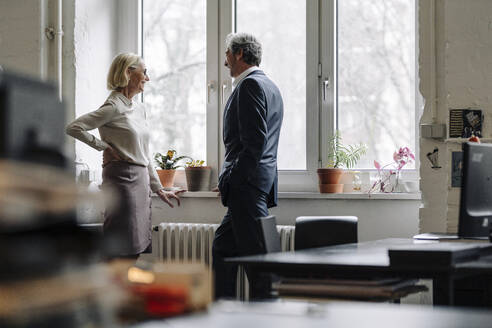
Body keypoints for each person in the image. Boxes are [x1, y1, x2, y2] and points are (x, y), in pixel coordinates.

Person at [66, 53, 183, 259]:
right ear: (128, 72)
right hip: (121, 180)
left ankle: (124, 288)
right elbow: (74, 127)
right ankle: (111, 288)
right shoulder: (113, 106)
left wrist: (159, 188)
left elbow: (144, 153)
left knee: (136, 247)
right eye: (144, 72)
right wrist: (103, 146)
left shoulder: (139, 108)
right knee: (121, 247)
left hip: (141, 182)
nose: (147, 78)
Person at [212, 33, 284, 299]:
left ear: (239, 53)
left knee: (261, 268)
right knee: (222, 248)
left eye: (227, 54)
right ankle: (223, 313)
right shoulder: (270, 86)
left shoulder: (250, 86)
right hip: (253, 186)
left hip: (247, 187)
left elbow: (253, 144)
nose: (225, 62)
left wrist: (231, 179)